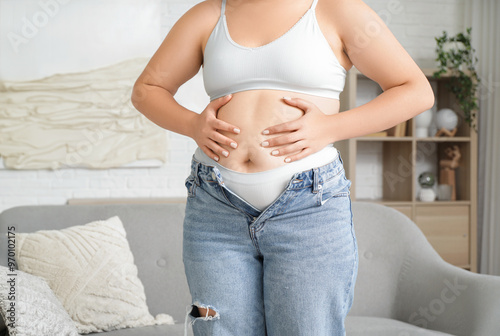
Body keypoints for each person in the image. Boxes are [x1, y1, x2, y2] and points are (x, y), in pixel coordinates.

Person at [131, 0, 434, 334]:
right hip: (215, 206)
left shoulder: (338, 10)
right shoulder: (209, 15)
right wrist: (191, 124)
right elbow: (147, 90)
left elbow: (415, 91)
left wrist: (331, 128)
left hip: (308, 205)